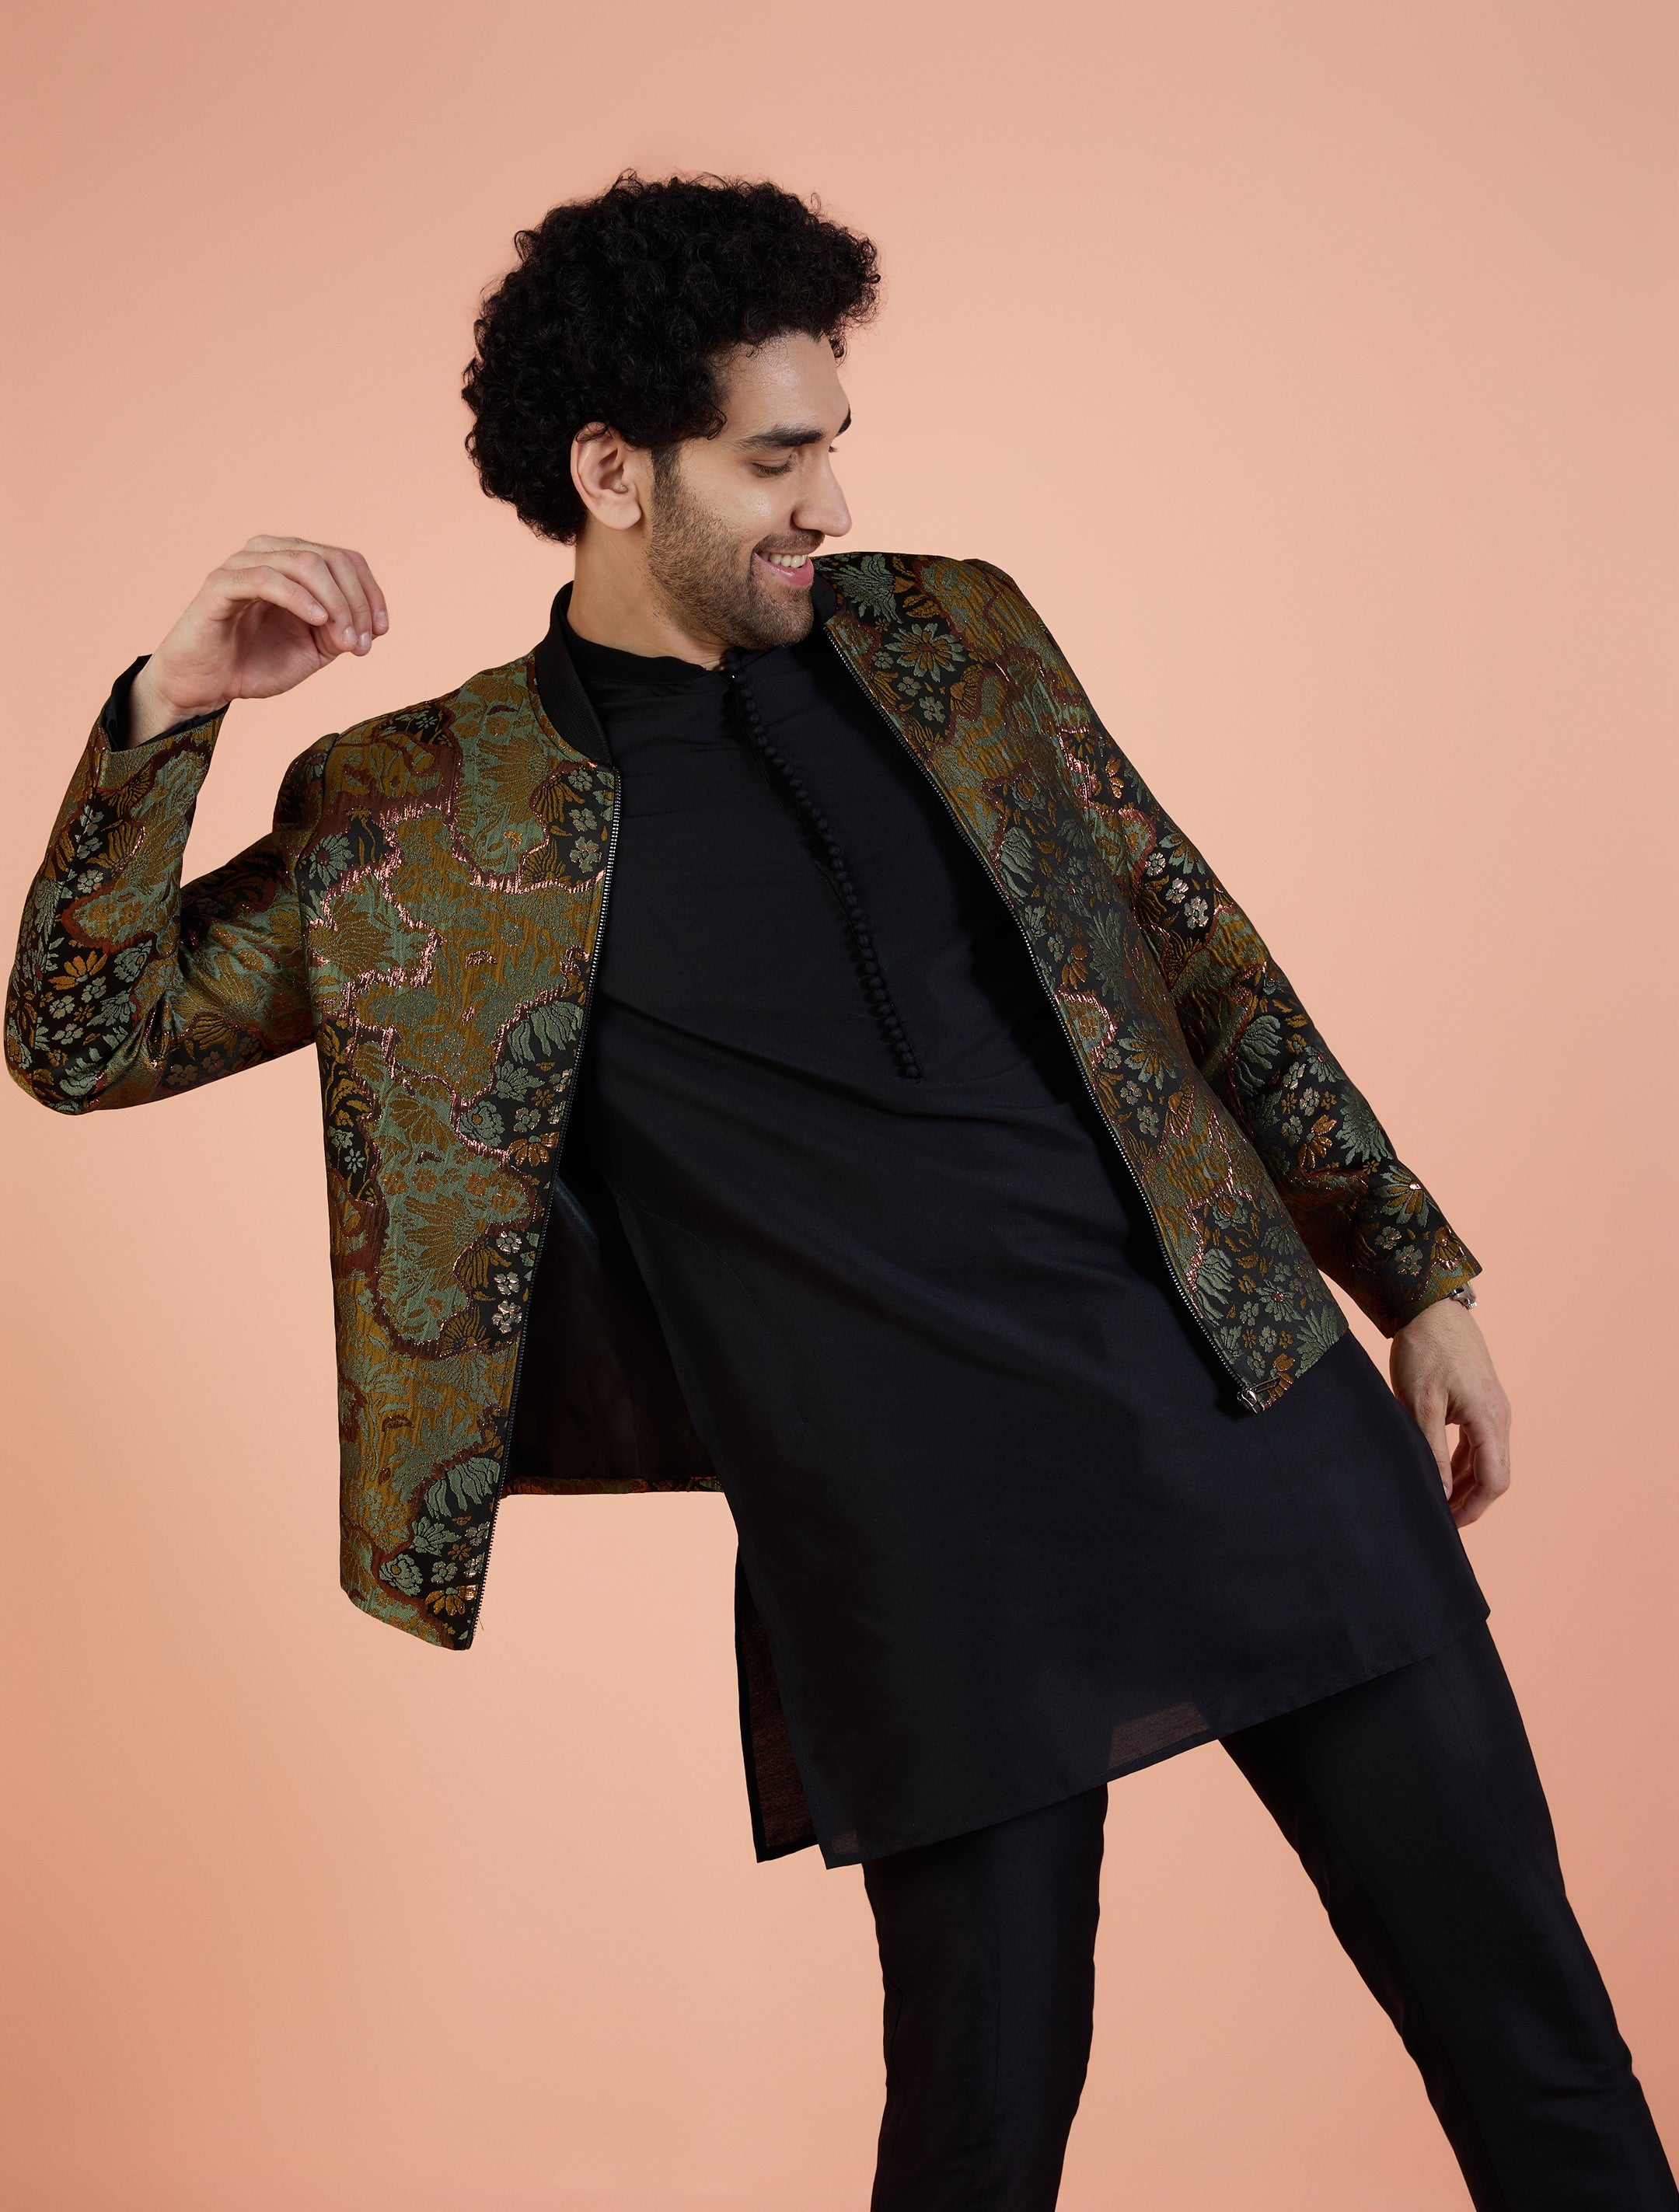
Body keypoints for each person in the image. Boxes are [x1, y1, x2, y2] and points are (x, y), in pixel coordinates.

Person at [6, 171, 1672, 2212]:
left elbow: (1200, 953)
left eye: (835, 446)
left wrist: (1416, 1279)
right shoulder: (426, 810)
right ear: (612, 471)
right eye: (776, 459)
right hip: (921, 1553)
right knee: (975, 2141)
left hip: (1253, 1421)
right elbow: (89, 1035)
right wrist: (167, 711)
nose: (831, 503)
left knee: (1540, 2051)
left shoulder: (960, 635)